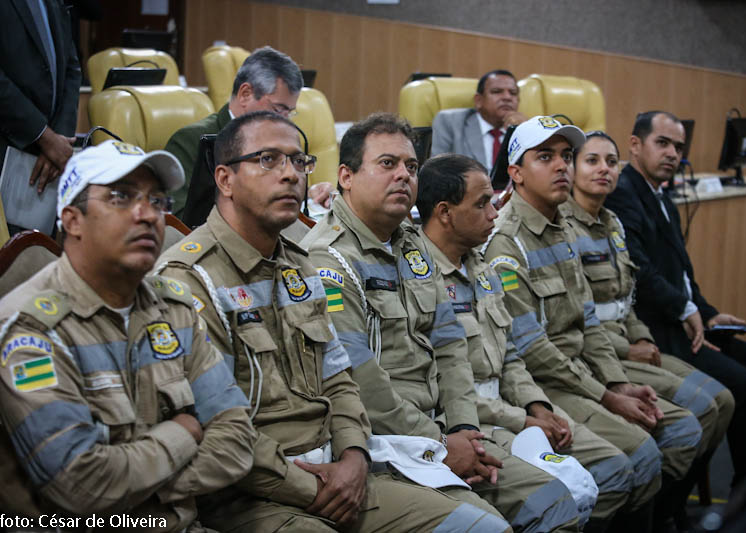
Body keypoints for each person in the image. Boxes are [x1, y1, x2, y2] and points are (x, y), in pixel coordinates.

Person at [157, 111, 503, 532]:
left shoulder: (298, 266)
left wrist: (355, 457)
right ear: (225, 180)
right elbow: (218, 426)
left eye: (298, 161)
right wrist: (313, 488)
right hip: (250, 493)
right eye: (268, 159)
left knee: (484, 527)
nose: (291, 174)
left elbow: (339, 379)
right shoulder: (189, 279)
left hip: (340, 470)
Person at [302, 112, 582, 532]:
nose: (403, 175)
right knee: (491, 528)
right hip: (385, 443)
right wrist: (441, 443)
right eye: (387, 163)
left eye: (411, 166)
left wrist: (465, 429)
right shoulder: (328, 258)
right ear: (346, 176)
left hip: (445, 430)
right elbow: (361, 381)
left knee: (557, 501)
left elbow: (452, 346)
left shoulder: (412, 246)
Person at [0, 140, 256, 531]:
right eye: (120, 197)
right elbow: (81, 485)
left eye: (157, 201)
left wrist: (143, 493)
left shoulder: (174, 309)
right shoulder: (30, 329)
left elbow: (236, 439)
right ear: (72, 220)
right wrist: (182, 434)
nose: (148, 214)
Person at [484, 116, 706, 532]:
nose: (561, 166)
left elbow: (588, 323)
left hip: (580, 371)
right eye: (545, 157)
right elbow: (531, 349)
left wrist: (617, 382)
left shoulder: (563, 229)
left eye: (567, 156)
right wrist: (606, 395)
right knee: (636, 457)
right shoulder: (506, 242)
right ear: (516, 172)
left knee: (677, 432)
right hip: (543, 383)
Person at [417, 152, 649, 531]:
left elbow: (510, 355)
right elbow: (443, 386)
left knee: (616, 469)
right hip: (464, 422)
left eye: (493, 202)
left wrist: (536, 405)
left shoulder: (481, 269)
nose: (494, 213)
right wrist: (522, 417)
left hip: (511, 407)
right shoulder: (419, 278)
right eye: (482, 204)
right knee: (562, 497)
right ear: (444, 213)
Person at [604, 111, 746, 487]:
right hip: (658, 328)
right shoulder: (624, 194)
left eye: (678, 146)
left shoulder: (664, 197)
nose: (673, 154)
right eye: (663, 143)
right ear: (635, 145)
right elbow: (640, 271)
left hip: (687, 320)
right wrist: (687, 310)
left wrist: (708, 313)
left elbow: (683, 274)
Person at [564, 130, 735, 529]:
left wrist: (640, 334)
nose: (604, 169)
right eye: (592, 160)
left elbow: (627, 296)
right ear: (571, 169)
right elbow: (577, 318)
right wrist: (628, 350)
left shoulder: (612, 223)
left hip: (628, 340)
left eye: (611, 162)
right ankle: (654, 513)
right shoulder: (564, 229)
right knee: (699, 413)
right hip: (600, 352)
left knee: (722, 401)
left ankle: (666, 505)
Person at [164, 45, 331, 222]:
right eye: (278, 109)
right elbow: (180, 219)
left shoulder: (282, 143)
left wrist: (308, 195)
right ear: (245, 94)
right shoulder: (189, 141)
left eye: (289, 112)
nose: (285, 121)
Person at [0, 0, 81, 231]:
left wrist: (59, 138)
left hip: (52, 158)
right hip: (8, 146)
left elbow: (72, 67)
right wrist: (44, 136)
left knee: (43, 247)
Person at [431, 69, 526, 170]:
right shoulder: (449, 122)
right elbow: (436, 169)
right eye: (497, 91)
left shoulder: (523, 127)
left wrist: (525, 132)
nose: (507, 97)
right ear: (478, 100)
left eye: (513, 93)